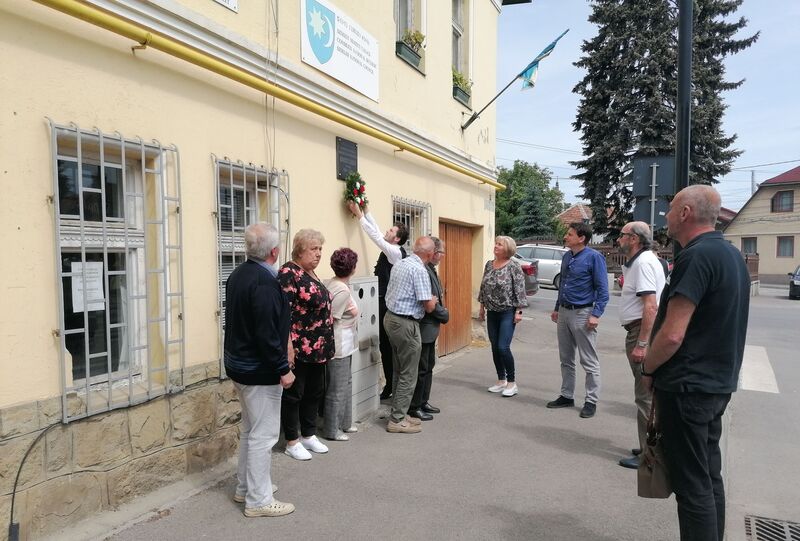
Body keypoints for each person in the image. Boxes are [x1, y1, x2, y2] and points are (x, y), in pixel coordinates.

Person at [641, 185, 750, 541]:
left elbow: (673, 334)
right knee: (708, 476)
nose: (667, 215)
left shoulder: (696, 257)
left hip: (688, 386)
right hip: (715, 383)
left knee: (691, 486)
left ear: (686, 213)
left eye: (671, 208)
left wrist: (648, 367)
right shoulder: (730, 254)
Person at [224, 222, 295, 517]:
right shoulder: (264, 282)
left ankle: (246, 488)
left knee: (250, 430)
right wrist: (283, 368)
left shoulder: (239, 273)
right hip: (258, 370)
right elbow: (266, 334)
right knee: (263, 436)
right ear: (274, 252)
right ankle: (259, 500)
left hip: (239, 366)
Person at [279, 229, 335, 460]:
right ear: (300, 250)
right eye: (314, 249)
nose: (319, 253)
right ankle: (292, 441)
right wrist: (288, 347)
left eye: (320, 248)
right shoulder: (289, 273)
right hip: (299, 347)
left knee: (315, 391)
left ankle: (308, 435)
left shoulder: (310, 272)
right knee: (295, 394)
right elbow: (283, 313)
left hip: (318, 348)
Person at [616, 221, 665, 469]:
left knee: (644, 395)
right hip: (639, 330)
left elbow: (651, 306)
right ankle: (648, 445)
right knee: (647, 394)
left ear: (634, 239)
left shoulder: (643, 263)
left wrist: (642, 344)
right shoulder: (643, 261)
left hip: (640, 332)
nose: (618, 239)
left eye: (622, 235)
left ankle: (649, 454)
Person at [348, 201, 409, 400]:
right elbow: (377, 231)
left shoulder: (394, 252)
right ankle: (391, 385)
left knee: (387, 346)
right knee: (386, 346)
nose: (386, 231)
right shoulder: (393, 248)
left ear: (397, 238)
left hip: (385, 305)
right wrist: (366, 210)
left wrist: (359, 215)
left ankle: (392, 385)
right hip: (383, 302)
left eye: (391, 230)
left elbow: (375, 236)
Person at [547, 222, 609, 418]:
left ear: (581, 238)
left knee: (589, 360)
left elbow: (603, 290)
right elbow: (563, 285)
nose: (565, 237)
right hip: (564, 311)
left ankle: (591, 401)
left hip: (583, 313)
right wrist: (557, 308)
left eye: (570, 234)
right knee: (566, 358)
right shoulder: (567, 256)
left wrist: (596, 314)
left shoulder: (594, 257)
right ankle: (567, 395)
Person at [383, 236, 438, 433]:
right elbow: (428, 305)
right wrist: (434, 300)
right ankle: (397, 420)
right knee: (409, 372)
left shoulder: (401, 263)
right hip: (406, 323)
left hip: (391, 318)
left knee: (399, 369)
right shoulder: (420, 270)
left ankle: (399, 412)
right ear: (430, 254)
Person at [478, 236, 528, 397]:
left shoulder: (514, 266)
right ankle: (501, 380)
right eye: (496, 243)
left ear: (507, 249)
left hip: (508, 311)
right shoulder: (489, 264)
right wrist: (481, 307)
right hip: (492, 311)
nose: (496, 246)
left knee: (503, 347)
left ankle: (512, 383)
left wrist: (519, 311)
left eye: (499, 244)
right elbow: (483, 287)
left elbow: (519, 289)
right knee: (494, 346)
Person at [322, 248, 360, 441]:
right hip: (339, 345)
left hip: (345, 343)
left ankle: (345, 423)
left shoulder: (334, 283)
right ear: (353, 268)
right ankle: (332, 430)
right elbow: (332, 318)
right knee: (337, 388)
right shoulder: (342, 290)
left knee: (346, 383)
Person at [408, 237, 448, 421]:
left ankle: (424, 401)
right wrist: (444, 314)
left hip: (431, 328)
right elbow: (429, 303)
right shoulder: (423, 270)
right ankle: (415, 406)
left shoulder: (431, 269)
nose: (442, 256)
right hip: (425, 325)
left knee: (429, 366)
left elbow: (437, 297)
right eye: (441, 252)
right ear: (434, 253)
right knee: (421, 368)